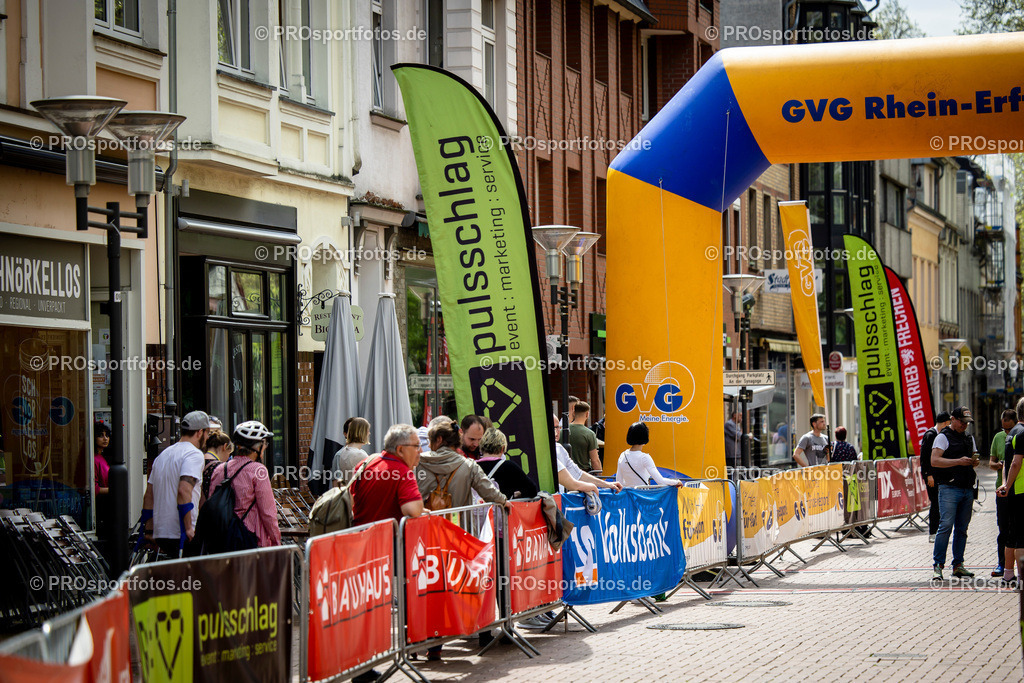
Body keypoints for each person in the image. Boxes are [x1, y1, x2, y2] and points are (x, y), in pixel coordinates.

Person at [142, 410, 211, 557]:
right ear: (200, 432)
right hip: (181, 532)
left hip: (161, 532)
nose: (207, 438)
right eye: (207, 433)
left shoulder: (163, 455)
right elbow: (184, 490)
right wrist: (188, 528)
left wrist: (148, 530)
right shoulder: (194, 454)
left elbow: (149, 495)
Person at [207, 421, 281, 547]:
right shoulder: (258, 470)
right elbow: (268, 512)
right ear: (257, 447)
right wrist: (276, 541)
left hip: (221, 538)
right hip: (249, 538)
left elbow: (211, 501)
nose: (265, 447)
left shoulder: (220, 469)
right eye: (264, 444)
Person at [930, 406, 980, 580]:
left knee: (962, 529)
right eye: (962, 422)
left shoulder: (968, 438)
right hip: (949, 488)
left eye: (967, 423)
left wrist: (974, 462)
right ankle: (938, 565)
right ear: (953, 419)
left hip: (967, 488)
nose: (964, 425)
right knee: (945, 526)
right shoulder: (942, 437)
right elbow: (934, 460)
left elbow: (974, 455)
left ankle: (958, 564)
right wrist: (958, 461)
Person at [416, 418, 508, 509]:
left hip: (428, 518)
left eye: (430, 441)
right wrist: (503, 501)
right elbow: (487, 489)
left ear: (439, 439)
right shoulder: (469, 465)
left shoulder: (419, 462)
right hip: (460, 518)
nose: (429, 445)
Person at [350, 424, 425, 527]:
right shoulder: (403, 472)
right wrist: (420, 509)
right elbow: (413, 510)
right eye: (416, 446)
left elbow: (351, 501)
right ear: (400, 450)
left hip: (358, 534)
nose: (421, 451)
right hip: (386, 536)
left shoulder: (365, 463)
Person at [553, 414, 622, 494]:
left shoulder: (559, 448)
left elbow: (578, 474)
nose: (556, 431)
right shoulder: (547, 452)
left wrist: (607, 484)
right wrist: (593, 487)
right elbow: (572, 484)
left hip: (557, 499)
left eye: (557, 427)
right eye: (553, 427)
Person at [996, 397, 1024, 584]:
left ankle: (1008, 574)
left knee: (1011, 535)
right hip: (1021, 490)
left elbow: (1006, 463)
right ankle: (1021, 577)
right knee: (1022, 537)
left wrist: (1006, 484)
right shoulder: (1022, 433)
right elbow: (1015, 463)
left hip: (1012, 491)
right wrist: (1009, 484)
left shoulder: (1011, 433)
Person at [989, 408, 1017, 577]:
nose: (1007, 432)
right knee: (1003, 529)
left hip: (1018, 490)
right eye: (1004, 429)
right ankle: (1003, 564)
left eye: (1009, 428)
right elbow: (991, 463)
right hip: (1002, 490)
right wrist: (998, 465)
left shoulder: (1019, 436)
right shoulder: (998, 438)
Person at [476, 427, 539, 500]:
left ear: (481, 447)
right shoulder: (508, 466)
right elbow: (532, 490)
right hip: (502, 507)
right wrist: (516, 495)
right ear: (502, 448)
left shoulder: (472, 466)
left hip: (476, 507)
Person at [616, 422, 682, 487]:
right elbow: (660, 481)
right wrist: (676, 482)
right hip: (642, 493)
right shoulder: (644, 458)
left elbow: (619, 482)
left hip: (627, 493)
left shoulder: (622, 455)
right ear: (644, 436)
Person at [919, 411, 950, 542]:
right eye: (948, 424)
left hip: (940, 475)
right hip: (932, 476)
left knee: (941, 503)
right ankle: (933, 532)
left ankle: (939, 531)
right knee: (935, 503)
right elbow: (924, 457)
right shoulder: (930, 435)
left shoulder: (942, 435)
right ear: (945, 423)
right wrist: (928, 475)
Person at [331, 417, 371, 486]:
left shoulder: (344, 452)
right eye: (367, 431)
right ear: (362, 433)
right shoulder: (359, 454)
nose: (369, 433)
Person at [199, 431, 234, 506]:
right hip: (210, 508)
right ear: (225, 447)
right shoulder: (221, 467)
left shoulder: (197, 460)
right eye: (229, 452)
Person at [568, 401, 601, 472]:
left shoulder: (563, 431)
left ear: (573, 413)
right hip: (584, 473)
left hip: (566, 473)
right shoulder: (589, 434)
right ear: (587, 414)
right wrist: (601, 476)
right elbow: (595, 461)